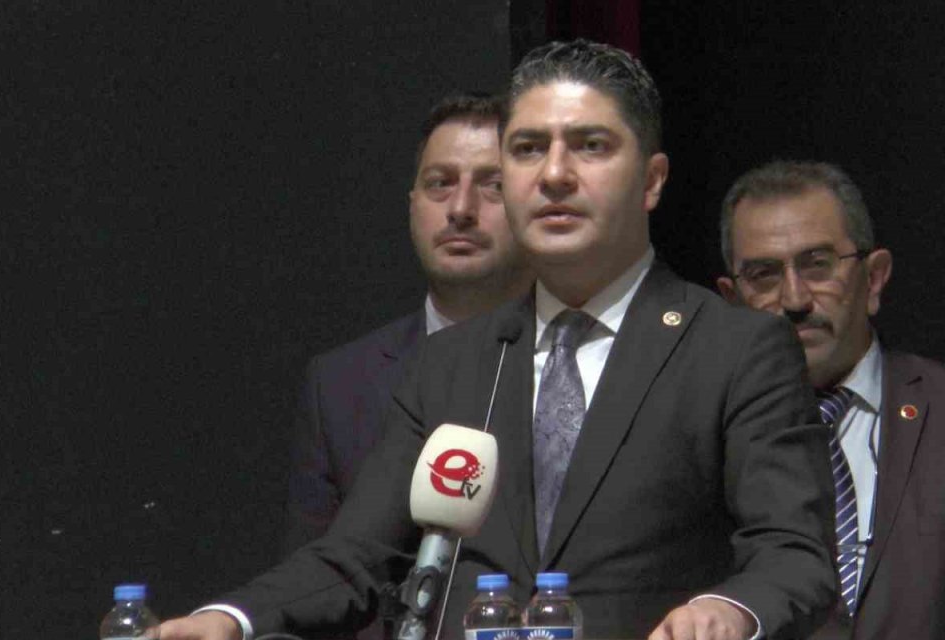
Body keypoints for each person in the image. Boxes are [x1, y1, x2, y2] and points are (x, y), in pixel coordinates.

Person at [159, 41, 837, 640]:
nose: (554, 175)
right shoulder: (452, 363)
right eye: (528, 148)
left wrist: (728, 610)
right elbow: (355, 557)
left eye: (591, 146)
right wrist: (231, 618)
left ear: (653, 181)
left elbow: (794, 554)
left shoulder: (735, 348)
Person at [715, 161, 945, 639]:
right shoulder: (702, 443)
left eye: (818, 264)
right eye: (764, 275)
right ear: (731, 301)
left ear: (874, 279)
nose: (794, 298)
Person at [283, 92, 533, 555]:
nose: (461, 208)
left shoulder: (575, 363)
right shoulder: (338, 384)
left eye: (494, 186)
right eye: (440, 183)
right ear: (412, 204)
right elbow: (311, 573)